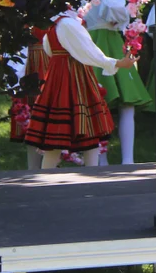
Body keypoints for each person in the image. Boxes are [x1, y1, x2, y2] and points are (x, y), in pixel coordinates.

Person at [24, 9, 136, 169]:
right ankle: (91, 174)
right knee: (88, 132)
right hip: (75, 76)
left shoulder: (53, 25)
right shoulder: (68, 24)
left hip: (57, 76)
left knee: (55, 137)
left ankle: (46, 180)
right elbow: (88, 52)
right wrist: (117, 63)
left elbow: (49, 51)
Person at [86, 0, 151, 165]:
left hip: (107, 43)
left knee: (124, 103)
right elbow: (115, 14)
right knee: (101, 103)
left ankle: (123, 159)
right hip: (99, 44)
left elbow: (116, 15)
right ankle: (106, 159)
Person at [7, 32, 50, 170]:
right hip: (31, 62)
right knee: (33, 114)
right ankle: (35, 166)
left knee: (46, 114)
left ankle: (48, 163)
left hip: (47, 58)